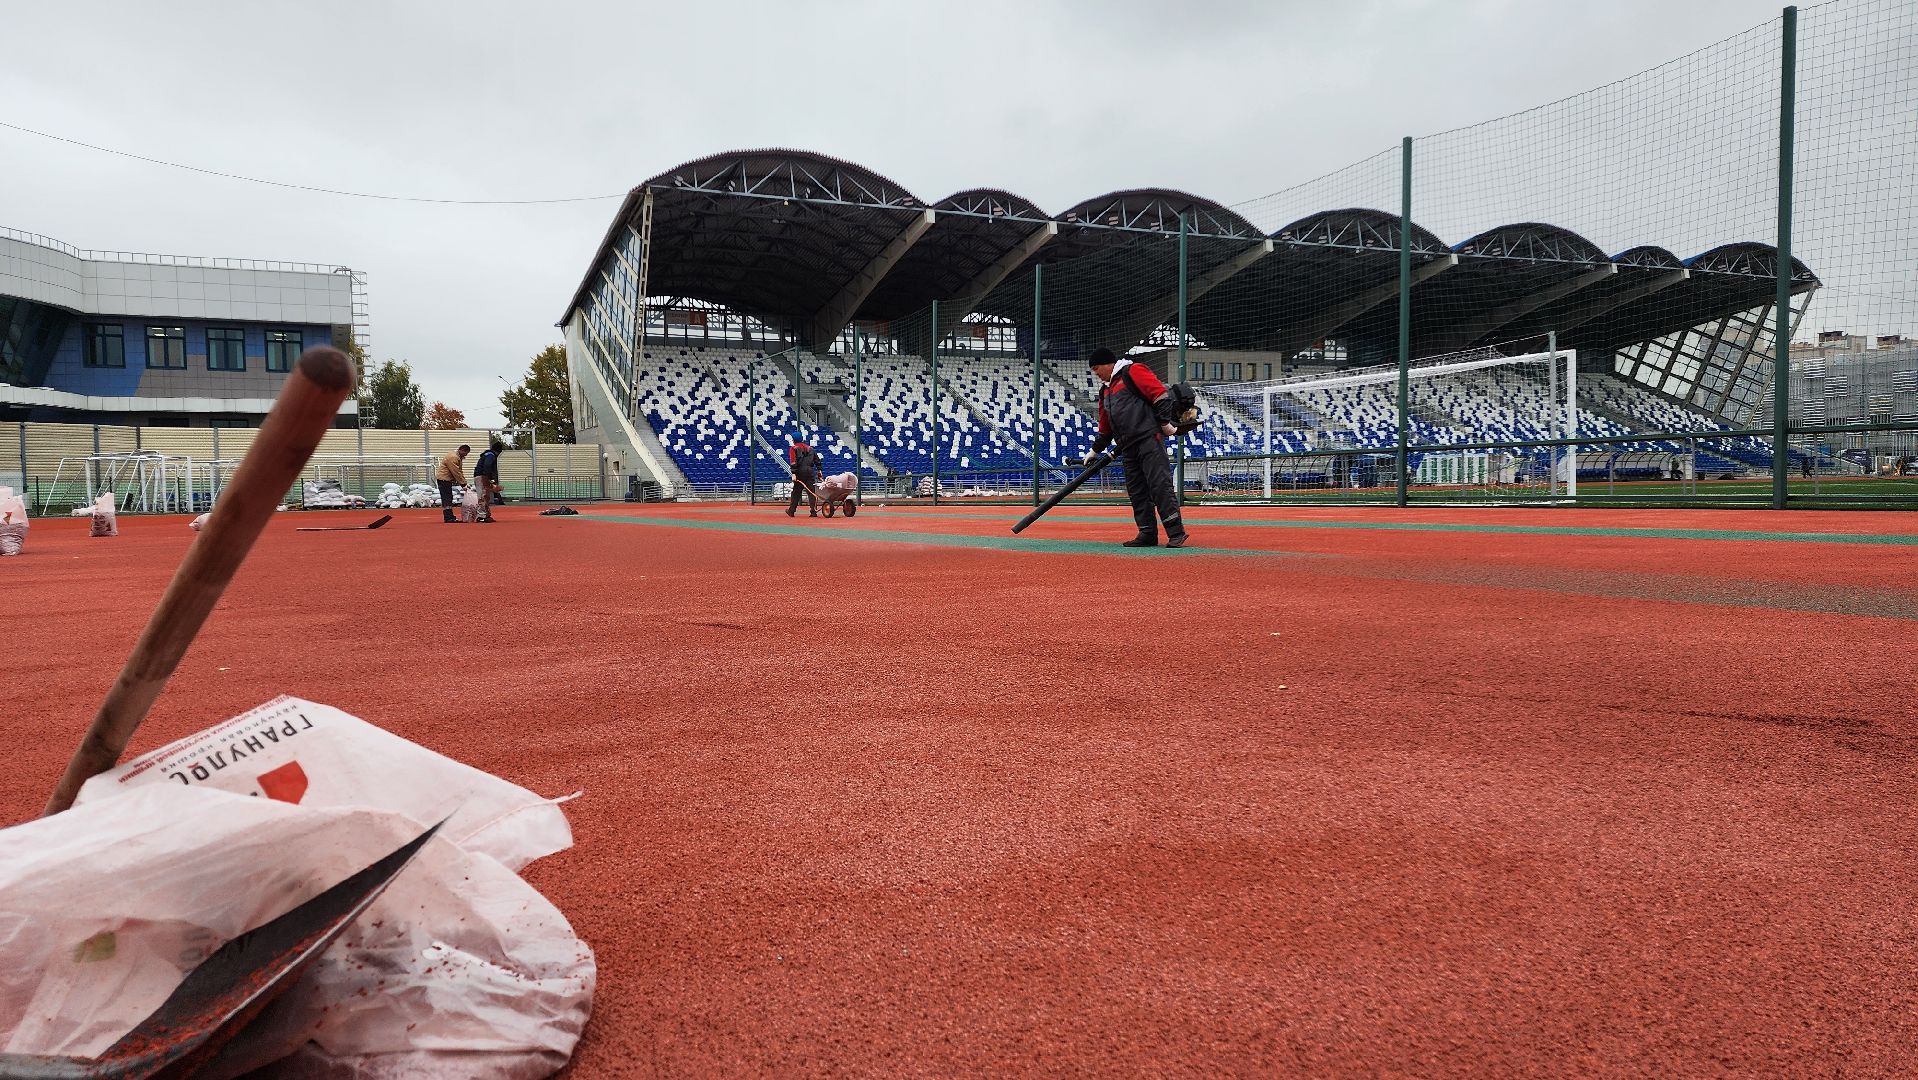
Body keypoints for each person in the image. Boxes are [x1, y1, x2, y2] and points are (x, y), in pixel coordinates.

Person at [1089, 347, 1188, 548]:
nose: (1096, 373)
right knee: (1137, 490)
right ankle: (1147, 533)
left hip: (1148, 439)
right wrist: (1094, 450)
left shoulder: (1133, 371)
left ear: (1108, 364)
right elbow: (1105, 426)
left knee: (1159, 485)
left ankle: (1176, 532)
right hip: (1127, 447)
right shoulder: (1105, 391)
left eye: (1097, 368)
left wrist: (1164, 424)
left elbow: (1160, 396)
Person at [786, 438, 821, 517]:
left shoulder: (793, 448)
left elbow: (793, 461)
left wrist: (793, 473)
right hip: (810, 471)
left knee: (796, 492)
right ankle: (813, 511)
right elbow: (817, 460)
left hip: (800, 472)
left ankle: (791, 511)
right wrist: (819, 470)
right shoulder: (810, 448)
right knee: (811, 492)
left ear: (794, 440)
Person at [436, 444, 470, 524]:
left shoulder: (456, 456)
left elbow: (459, 471)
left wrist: (464, 482)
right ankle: (448, 517)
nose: (466, 455)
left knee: (447, 497)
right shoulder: (453, 457)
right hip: (444, 479)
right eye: (466, 453)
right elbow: (456, 472)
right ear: (462, 450)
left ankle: (449, 516)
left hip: (445, 479)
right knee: (447, 498)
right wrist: (463, 484)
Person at [472, 441, 503, 522]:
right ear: (499, 451)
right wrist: (491, 480)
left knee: (485, 496)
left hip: (481, 476)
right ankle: (481, 516)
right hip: (482, 477)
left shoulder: (487, 454)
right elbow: (487, 466)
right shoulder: (491, 456)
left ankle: (485, 514)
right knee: (483, 496)